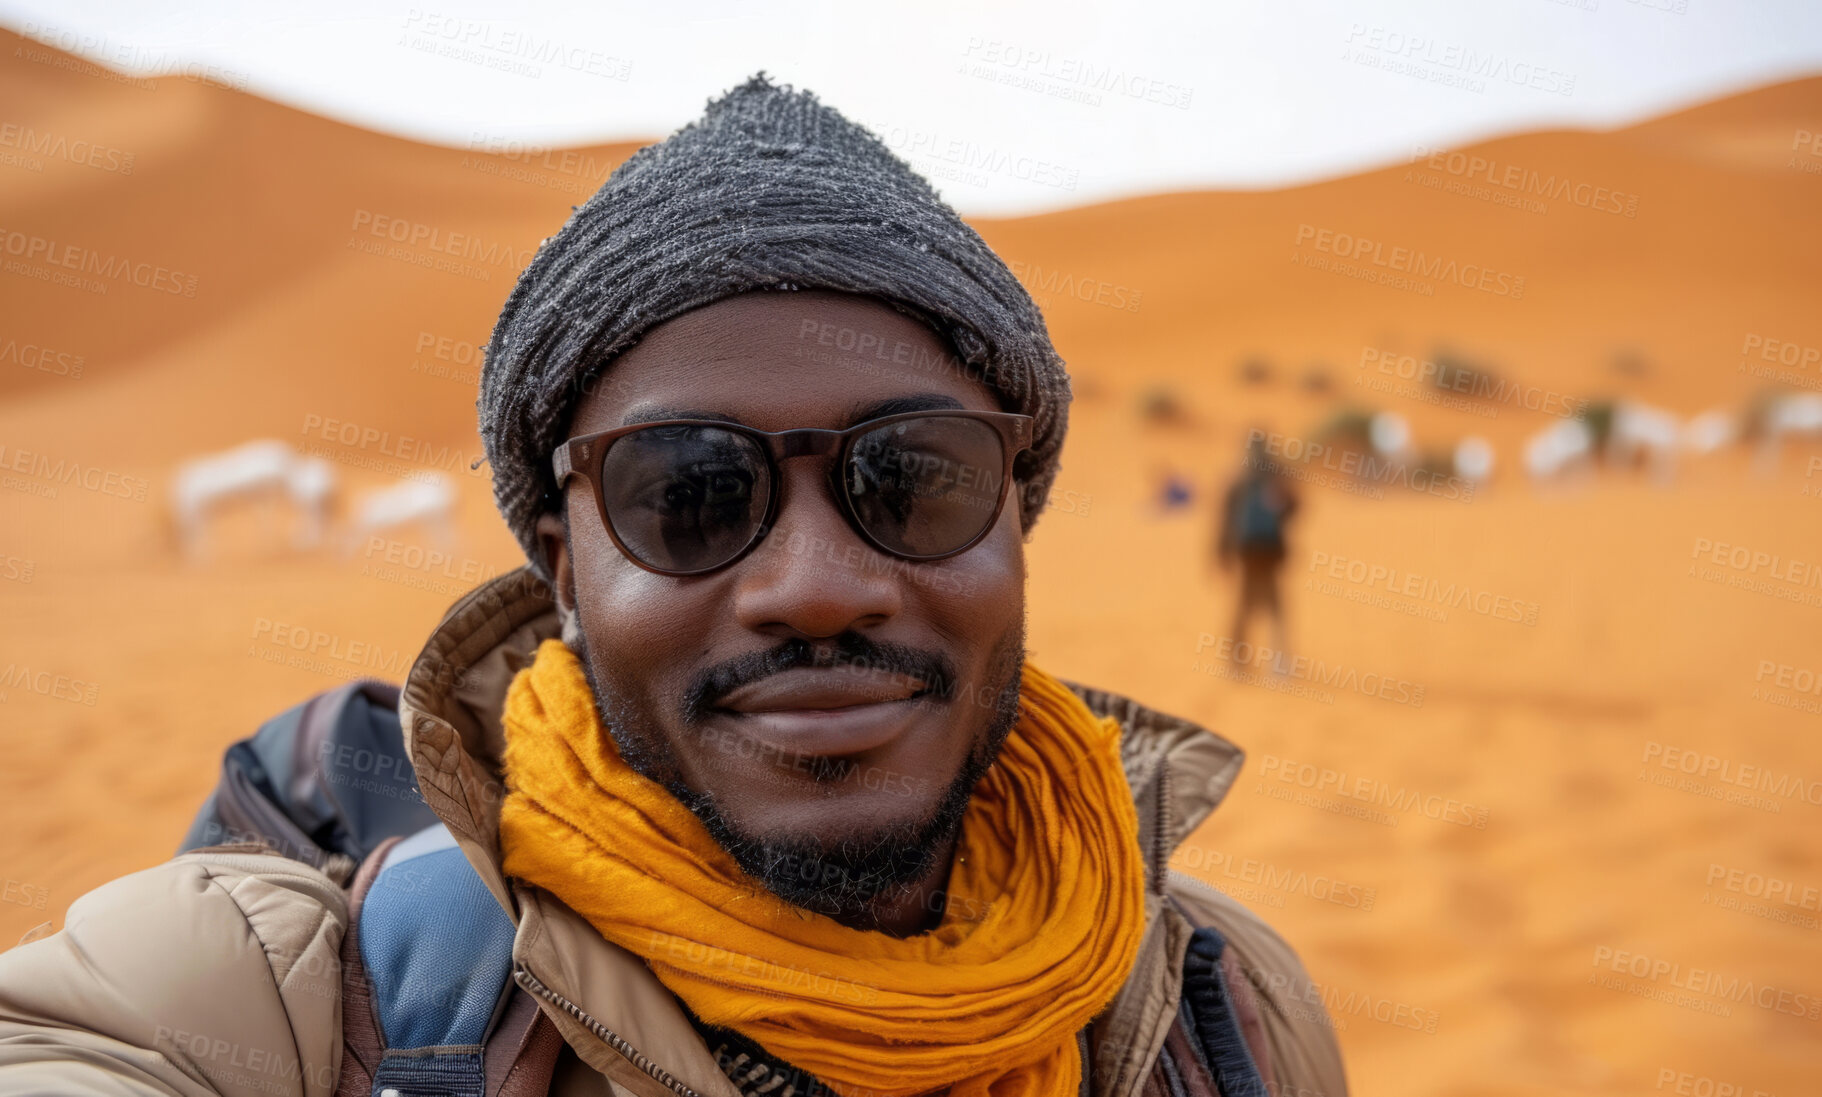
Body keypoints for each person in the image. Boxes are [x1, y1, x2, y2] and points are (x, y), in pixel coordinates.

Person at [0, 75, 1347, 1097]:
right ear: (561, 568)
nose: (817, 587)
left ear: (1015, 525)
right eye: (686, 492)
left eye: (913, 479)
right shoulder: (278, 999)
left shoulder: (1221, 1009)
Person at [1215, 434, 1300, 666]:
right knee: (1275, 608)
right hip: (1271, 552)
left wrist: (1220, 552)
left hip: (1247, 552)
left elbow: (1224, 519)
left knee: (1243, 606)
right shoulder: (1276, 477)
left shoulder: (1239, 478)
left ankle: (1237, 661)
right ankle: (1280, 662)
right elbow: (1295, 509)